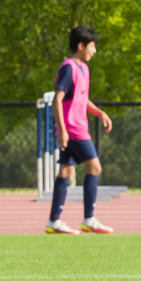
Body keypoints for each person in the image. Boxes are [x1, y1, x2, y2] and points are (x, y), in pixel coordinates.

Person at [45, 25, 114, 234]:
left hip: (77, 127)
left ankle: (54, 221)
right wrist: (63, 129)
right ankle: (89, 218)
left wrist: (100, 113)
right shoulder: (69, 67)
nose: (94, 51)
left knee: (65, 171)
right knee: (95, 168)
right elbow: (57, 99)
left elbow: (82, 100)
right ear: (81, 46)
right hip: (74, 130)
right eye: (92, 47)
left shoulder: (84, 69)